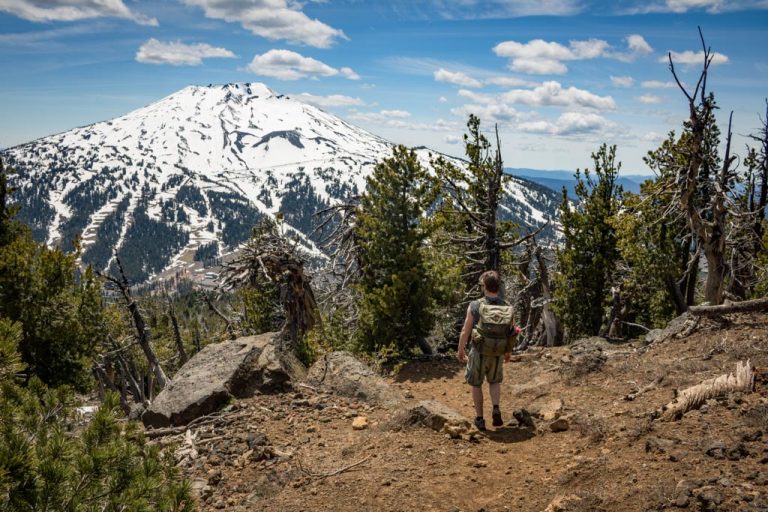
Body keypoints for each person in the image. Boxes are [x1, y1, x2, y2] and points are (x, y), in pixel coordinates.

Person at [457, 270, 518, 431]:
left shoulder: (475, 305)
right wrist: (508, 352)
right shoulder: (507, 306)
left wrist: (460, 349)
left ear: (484, 286)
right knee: (495, 381)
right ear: (498, 287)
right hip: (497, 352)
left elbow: (466, 330)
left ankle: (479, 419)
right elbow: (511, 332)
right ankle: (496, 407)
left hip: (479, 351)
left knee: (476, 384)